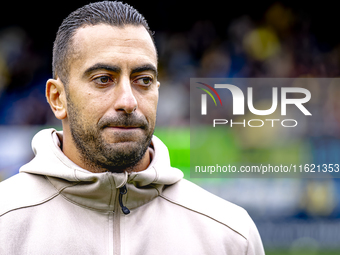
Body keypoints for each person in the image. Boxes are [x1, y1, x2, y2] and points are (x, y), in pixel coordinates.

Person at [0, 1, 265, 254]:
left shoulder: (230, 235)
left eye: (144, 80)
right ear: (58, 98)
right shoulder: (6, 223)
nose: (128, 101)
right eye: (103, 79)